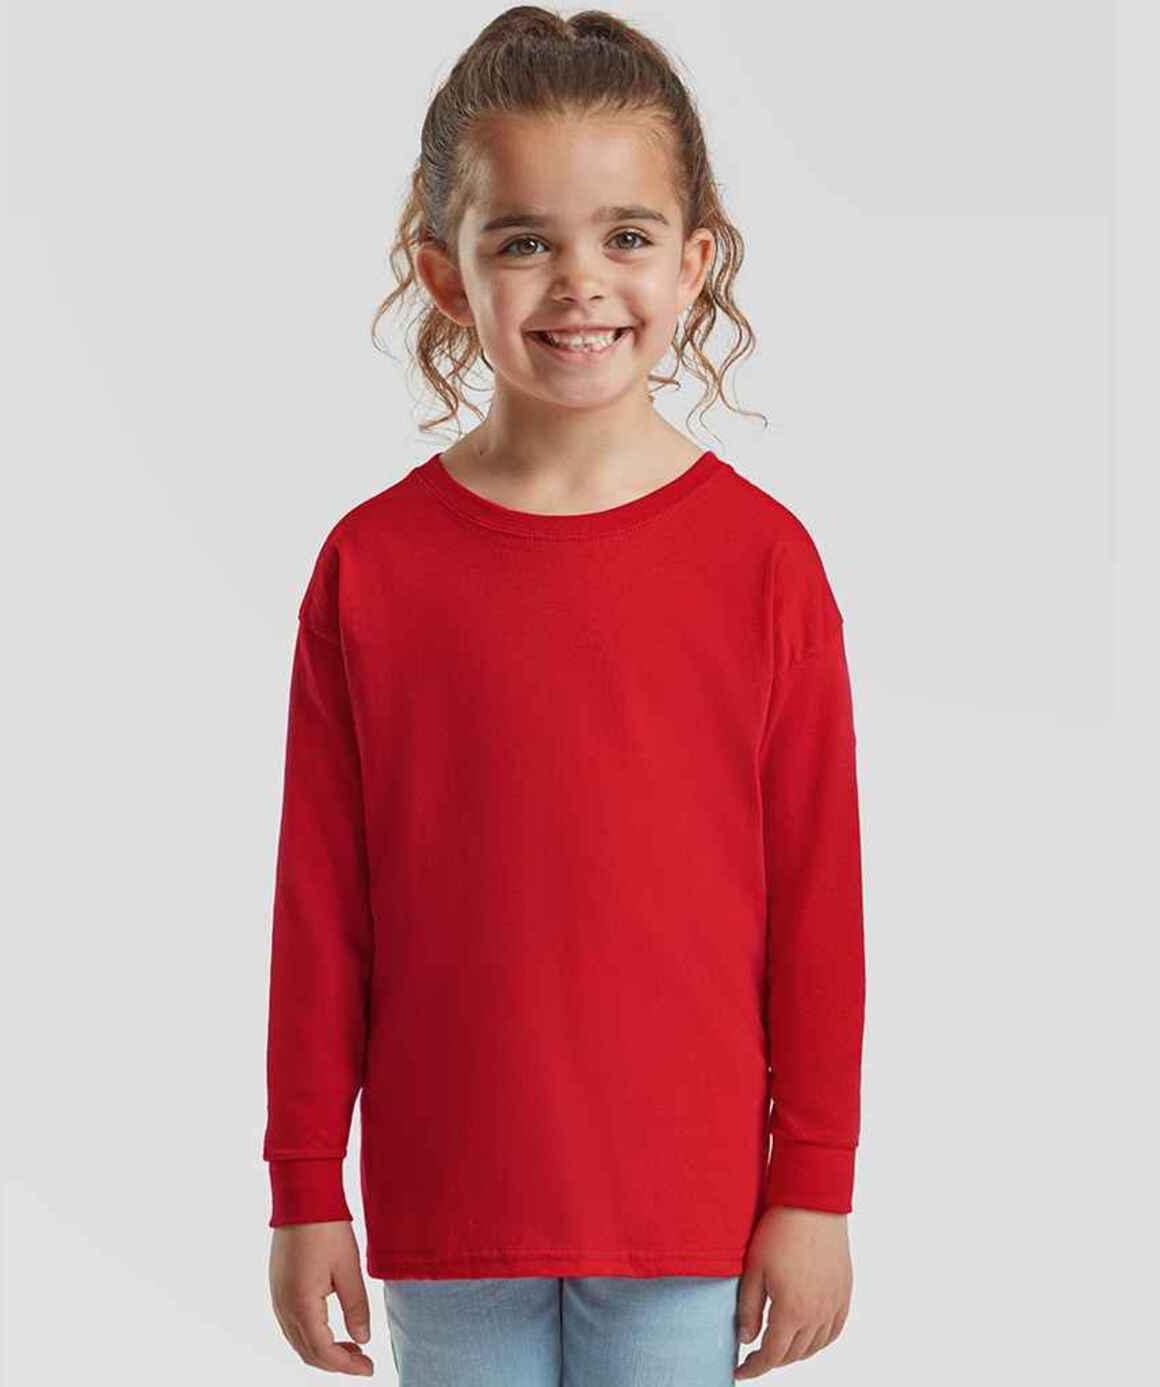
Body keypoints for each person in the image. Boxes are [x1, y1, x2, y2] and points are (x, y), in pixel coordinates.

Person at [262, 7, 867, 1384]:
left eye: (626, 235)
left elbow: (816, 902)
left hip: (690, 1207)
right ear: (444, 272)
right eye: (524, 240)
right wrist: (304, 1184)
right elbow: (321, 905)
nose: (580, 282)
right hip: (453, 1199)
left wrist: (816, 1186)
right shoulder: (374, 566)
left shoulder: (763, 562)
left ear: (696, 260)